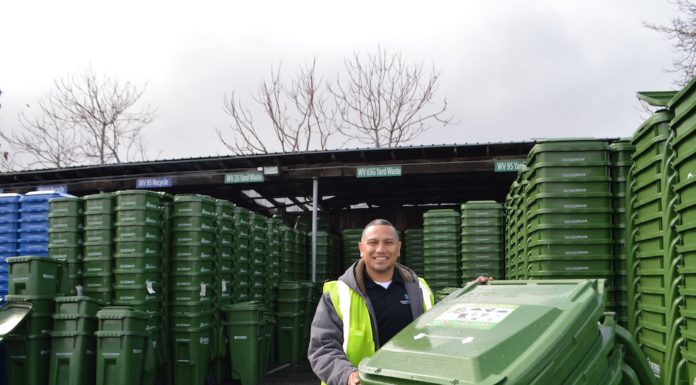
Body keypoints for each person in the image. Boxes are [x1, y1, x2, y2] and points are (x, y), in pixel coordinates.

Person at [307, 219, 435, 385]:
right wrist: (347, 374)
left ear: (398, 248)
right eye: (373, 243)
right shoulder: (338, 293)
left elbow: (445, 330)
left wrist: (475, 292)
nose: (381, 249)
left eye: (388, 242)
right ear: (361, 248)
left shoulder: (421, 290)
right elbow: (322, 347)